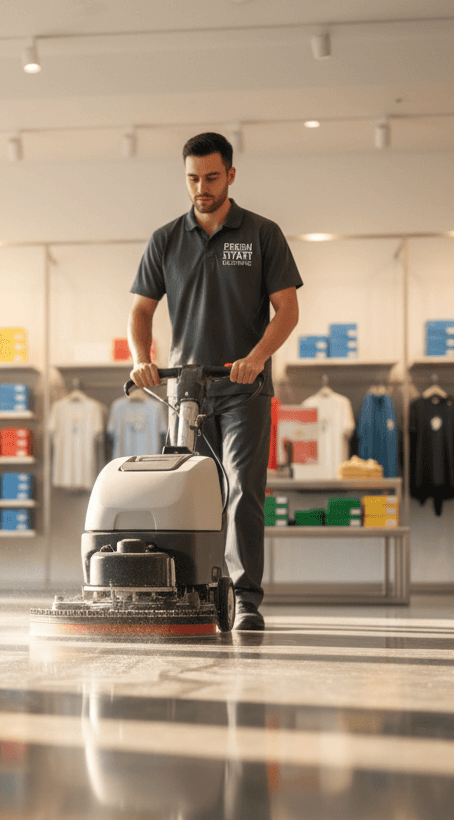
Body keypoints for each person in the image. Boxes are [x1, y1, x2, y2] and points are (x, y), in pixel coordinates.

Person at [129, 132, 302, 631]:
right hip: (187, 393)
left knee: (244, 490)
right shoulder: (166, 239)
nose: (200, 188)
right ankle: (197, 592)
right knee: (189, 495)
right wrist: (144, 359)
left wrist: (257, 357)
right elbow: (140, 310)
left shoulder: (261, 234)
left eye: (210, 177)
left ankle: (246, 599)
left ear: (230, 174)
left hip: (244, 389)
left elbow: (287, 309)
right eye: (192, 179)